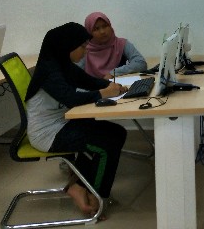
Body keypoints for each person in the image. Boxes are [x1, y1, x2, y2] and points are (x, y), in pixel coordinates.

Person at [25, 22, 128, 217]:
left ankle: (78, 186)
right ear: (67, 46)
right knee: (107, 144)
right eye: (82, 46)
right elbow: (70, 98)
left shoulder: (62, 64)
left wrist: (116, 86)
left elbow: (88, 81)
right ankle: (97, 198)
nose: (85, 50)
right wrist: (104, 93)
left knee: (117, 133)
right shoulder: (49, 71)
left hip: (63, 123)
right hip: (48, 134)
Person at [79, 12, 147, 79]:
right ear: (89, 33)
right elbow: (75, 74)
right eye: (96, 29)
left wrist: (114, 73)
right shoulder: (84, 49)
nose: (102, 32)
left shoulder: (121, 44)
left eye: (105, 26)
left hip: (119, 84)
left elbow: (140, 63)